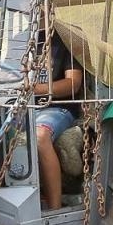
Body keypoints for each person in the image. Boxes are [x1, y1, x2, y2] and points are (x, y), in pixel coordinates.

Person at [31, 28, 83, 211]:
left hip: (57, 107)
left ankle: (54, 209)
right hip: (22, 106)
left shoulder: (67, 37)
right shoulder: (20, 38)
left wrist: (36, 89)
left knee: (39, 135)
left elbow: (73, 83)